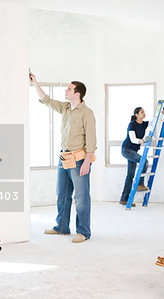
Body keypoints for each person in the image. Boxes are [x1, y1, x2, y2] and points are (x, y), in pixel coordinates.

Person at [29, 73, 96, 243]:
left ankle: (83, 232)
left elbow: (91, 139)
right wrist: (35, 82)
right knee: (62, 193)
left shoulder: (87, 113)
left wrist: (87, 161)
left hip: (79, 159)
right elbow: (47, 100)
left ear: (77, 94)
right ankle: (62, 227)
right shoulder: (66, 108)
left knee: (81, 197)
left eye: (69, 89)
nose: (66, 91)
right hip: (64, 157)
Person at [119, 107, 150, 205]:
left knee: (130, 175)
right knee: (144, 161)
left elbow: (154, 122)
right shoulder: (132, 124)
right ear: (136, 114)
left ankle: (124, 199)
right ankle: (140, 184)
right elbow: (133, 139)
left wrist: (162, 113)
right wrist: (142, 141)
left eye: (144, 112)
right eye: (141, 112)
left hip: (133, 151)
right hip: (127, 149)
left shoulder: (144, 124)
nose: (144, 113)